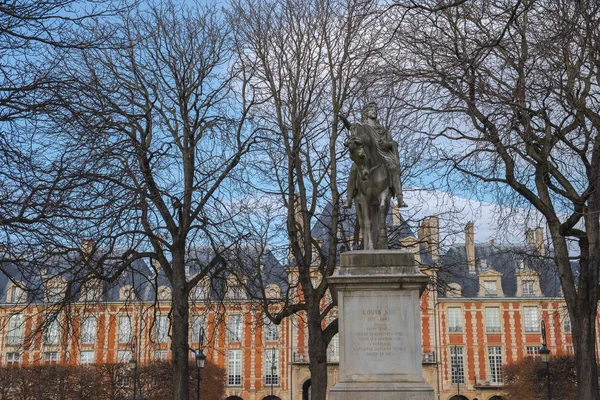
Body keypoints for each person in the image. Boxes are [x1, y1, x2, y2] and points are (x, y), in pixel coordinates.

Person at [342, 102, 407, 209]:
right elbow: (350, 127)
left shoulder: (383, 130)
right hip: (366, 156)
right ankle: (349, 198)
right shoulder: (361, 128)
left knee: (394, 168)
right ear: (366, 112)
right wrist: (343, 118)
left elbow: (393, 143)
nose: (374, 111)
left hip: (383, 155)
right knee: (354, 169)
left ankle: (400, 197)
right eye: (372, 109)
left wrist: (387, 144)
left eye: (375, 110)